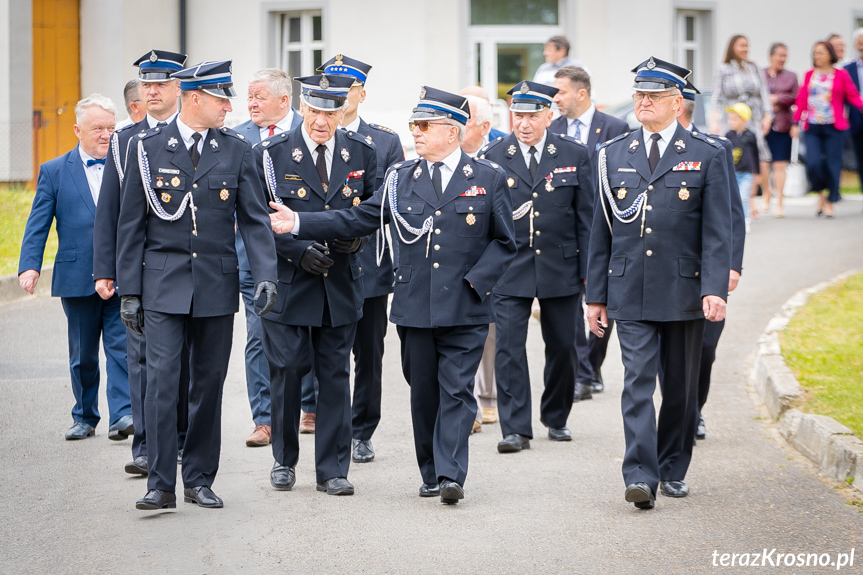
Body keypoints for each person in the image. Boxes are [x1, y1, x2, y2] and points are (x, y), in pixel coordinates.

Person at [268, 87, 516, 504]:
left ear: (451, 132)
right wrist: (299, 223)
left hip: (465, 306)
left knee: (456, 390)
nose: (414, 133)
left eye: (423, 126)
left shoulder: (487, 178)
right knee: (423, 391)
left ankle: (451, 473)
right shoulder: (402, 178)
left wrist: (476, 282)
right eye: (413, 126)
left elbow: (505, 242)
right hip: (416, 306)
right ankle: (430, 470)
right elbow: (360, 216)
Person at [116, 60, 278, 511]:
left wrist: (265, 274)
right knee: (163, 383)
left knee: (208, 385)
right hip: (162, 284)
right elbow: (131, 224)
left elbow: (254, 220)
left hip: (214, 285)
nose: (230, 105)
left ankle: (200, 479)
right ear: (194, 99)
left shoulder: (236, 150)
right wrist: (129, 290)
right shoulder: (146, 148)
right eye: (221, 98)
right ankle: (160, 483)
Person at [586, 57, 731, 510]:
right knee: (637, 382)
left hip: (683, 289)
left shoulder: (707, 153)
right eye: (638, 96)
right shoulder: (612, 154)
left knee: (681, 387)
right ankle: (640, 475)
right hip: (629, 288)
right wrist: (595, 295)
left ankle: (672, 466)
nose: (643, 103)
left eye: (653, 96)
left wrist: (714, 288)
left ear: (677, 102)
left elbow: (717, 230)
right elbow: (601, 229)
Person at [257, 73, 375, 496]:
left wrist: (357, 237)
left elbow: (375, 209)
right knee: (287, 370)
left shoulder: (361, 152)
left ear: (343, 111)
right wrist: (295, 249)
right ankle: (284, 460)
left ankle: (332, 469)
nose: (321, 120)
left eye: (331, 111)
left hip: (340, 282)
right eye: (314, 110)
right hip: (290, 281)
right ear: (302, 108)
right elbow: (257, 219)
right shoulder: (270, 154)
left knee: (334, 374)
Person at [478, 80, 594, 453]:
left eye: (531, 115)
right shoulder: (495, 155)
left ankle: (556, 416)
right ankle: (515, 428)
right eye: (518, 115)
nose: (524, 123)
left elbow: (586, 217)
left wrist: (590, 270)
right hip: (511, 267)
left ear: (549, 115)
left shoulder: (573, 153)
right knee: (509, 348)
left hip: (561, 265)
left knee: (563, 346)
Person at [92, 49, 189, 476]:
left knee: (182, 362)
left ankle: (181, 441)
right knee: (143, 359)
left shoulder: (191, 134)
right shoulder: (125, 140)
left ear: (178, 88)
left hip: (187, 270)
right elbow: (111, 212)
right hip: (141, 271)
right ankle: (146, 447)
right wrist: (107, 270)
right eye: (146, 84)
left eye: (160, 83)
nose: (151, 90)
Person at [19, 93, 132, 442]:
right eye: (97, 128)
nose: (106, 135)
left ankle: (123, 415)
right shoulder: (54, 171)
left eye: (112, 128)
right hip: (76, 275)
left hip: (121, 274)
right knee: (83, 355)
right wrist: (29, 266)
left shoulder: (128, 166)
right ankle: (84, 416)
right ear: (77, 130)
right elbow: (38, 223)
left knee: (121, 348)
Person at [318, 54, 404, 464]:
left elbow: (386, 201)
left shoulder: (384, 142)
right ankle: (322, 422)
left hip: (367, 260)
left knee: (368, 353)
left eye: (344, 89)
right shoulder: (311, 135)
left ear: (361, 94)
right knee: (322, 349)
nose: (335, 96)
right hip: (316, 261)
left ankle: (362, 430)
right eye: (328, 86)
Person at [231, 68, 303, 448]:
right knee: (258, 337)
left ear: (284, 100)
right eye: (249, 96)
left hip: (306, 255)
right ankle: (264, 418)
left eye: (259, 96)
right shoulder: (237, 137)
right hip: (253, 259)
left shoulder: (312, 130)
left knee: (307, 334)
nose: (252, 103)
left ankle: (309, 406)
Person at [550, 65, 629, 399]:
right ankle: (583, 372)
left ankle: (591, 365)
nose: (555, 98)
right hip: (566, 232)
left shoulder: (614, 127)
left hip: (606, 227)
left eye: (561, 92)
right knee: (573, 305)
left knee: (601, 299)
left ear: (581, 93)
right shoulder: (551, 129)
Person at [677, 81, 746, 442]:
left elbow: (731, 216)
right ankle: (679, 414)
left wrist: (732, 266)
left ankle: (695, 409)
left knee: (704, 348)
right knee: (669, 355)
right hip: (668, 273)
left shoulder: (715, 148)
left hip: (708, 270)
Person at [460, 89, 497, 432]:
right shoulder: (444, 153)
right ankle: (467, 405)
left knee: (488, 335)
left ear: (484, 126)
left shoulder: (499, 155)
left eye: (465, 117)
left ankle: (487, 399)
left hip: (491, 261)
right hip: (457, 263)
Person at [791, 41, 863, 218]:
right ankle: (821, 194)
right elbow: (801, 100)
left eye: (821, 53)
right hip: (812, 126)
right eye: (815, 53)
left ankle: (830, 200)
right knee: (813, 163)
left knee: (833, 165)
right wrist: (795, 123)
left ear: (830, 55)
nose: (817, 56)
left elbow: (853, 96)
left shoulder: (841, 74)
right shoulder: (809, 75)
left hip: (834, 127)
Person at [710, 35, 773, 219]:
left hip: (752, 118)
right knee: (734, 157)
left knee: (757, 156)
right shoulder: (724, 69)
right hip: (732, 118)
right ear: (732, 47)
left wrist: (767, 116)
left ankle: (755, 197)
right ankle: (740, 201)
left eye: (747, 45)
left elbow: (764, 93)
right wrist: (714, 119)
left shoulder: (753, 67)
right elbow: (715, 96)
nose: (745, 49)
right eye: (742, 45)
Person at [761, 42, 798, 219]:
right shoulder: (760, 74)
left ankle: (780, 201)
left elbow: (794, 97)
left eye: (785, 56)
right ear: (771, 56)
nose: (783, 59)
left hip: (782, 126)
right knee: (762, 164)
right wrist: (767, 103)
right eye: (780, 55)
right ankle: (767, 192)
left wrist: (776, 98)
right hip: (762, 126)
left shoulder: (791, 76)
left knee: (779, 165)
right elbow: (756, 95)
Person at [725, 102, 759, 228]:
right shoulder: (728, 135)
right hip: (733, 172)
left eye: (734, 119)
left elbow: (756, 154)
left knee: (744, 196)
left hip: (747, 172)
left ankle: (745, 219)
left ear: (744, 120)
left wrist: (758, 173)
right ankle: (734, 219)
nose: (731, 122)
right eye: (730, 119)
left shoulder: (751, 135)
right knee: (733, 197)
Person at [845, 29, 863, 205]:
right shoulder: (848, 69)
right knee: (860, 161)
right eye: (861, 42)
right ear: (856, 45)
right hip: (857, 121)